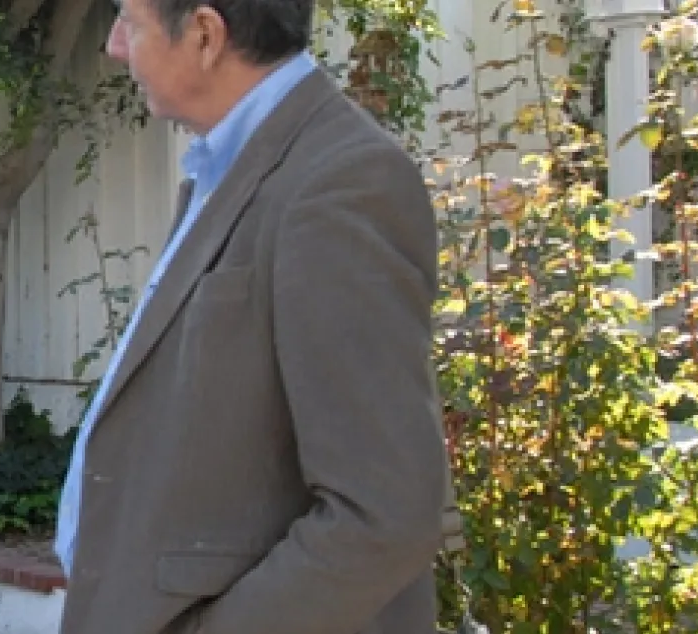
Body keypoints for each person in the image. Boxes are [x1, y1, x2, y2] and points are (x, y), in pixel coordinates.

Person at [53, 1, 451, 632]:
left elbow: (384, 514)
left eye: (130, 22)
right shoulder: (232, 167)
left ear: (206, 35)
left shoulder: (340, 183)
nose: (114, 47)